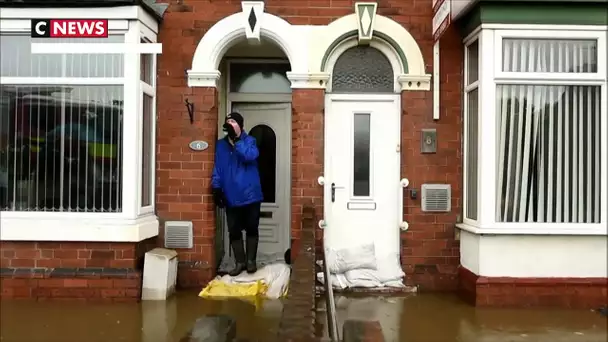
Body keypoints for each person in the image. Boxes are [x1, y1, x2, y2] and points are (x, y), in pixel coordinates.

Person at [211, 112, 263, 276]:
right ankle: (239, 262)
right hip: (231, 196)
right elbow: (218, 167)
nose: (230, 124)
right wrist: (216, 187)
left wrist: (238, 140)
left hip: (250, 195)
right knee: (234, 230)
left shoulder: (250, 141)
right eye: (228, 122)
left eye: (233, 121)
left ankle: (250, 262)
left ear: (240, 125)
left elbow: (250, 156)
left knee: (252, 228)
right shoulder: (220, 145)